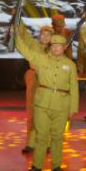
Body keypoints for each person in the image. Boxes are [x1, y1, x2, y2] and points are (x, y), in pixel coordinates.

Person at [14, 21, 78, 171]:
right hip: (42, 103)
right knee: (41, 136)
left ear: (64, 48)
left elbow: (74, 88)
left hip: (61, 105)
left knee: (57, 137)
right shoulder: (41, 59)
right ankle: (37, 166)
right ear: (50, 46)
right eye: (53, 45)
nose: (56, 48)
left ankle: (56, 166)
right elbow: (25, 51)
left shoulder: (70, 65)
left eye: (59, 46)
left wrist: (73, 108)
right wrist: (16, 36)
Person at [21, 24, 55, 154]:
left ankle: (48, 143)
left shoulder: (55, 49)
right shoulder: (34, 45)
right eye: (43, 34)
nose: (45, 37)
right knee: (32, 110)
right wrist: (17, 20)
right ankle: (31, 143)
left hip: (48, 79)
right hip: (34, 77)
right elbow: (24, 35)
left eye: (48, 35)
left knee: (47, 111)